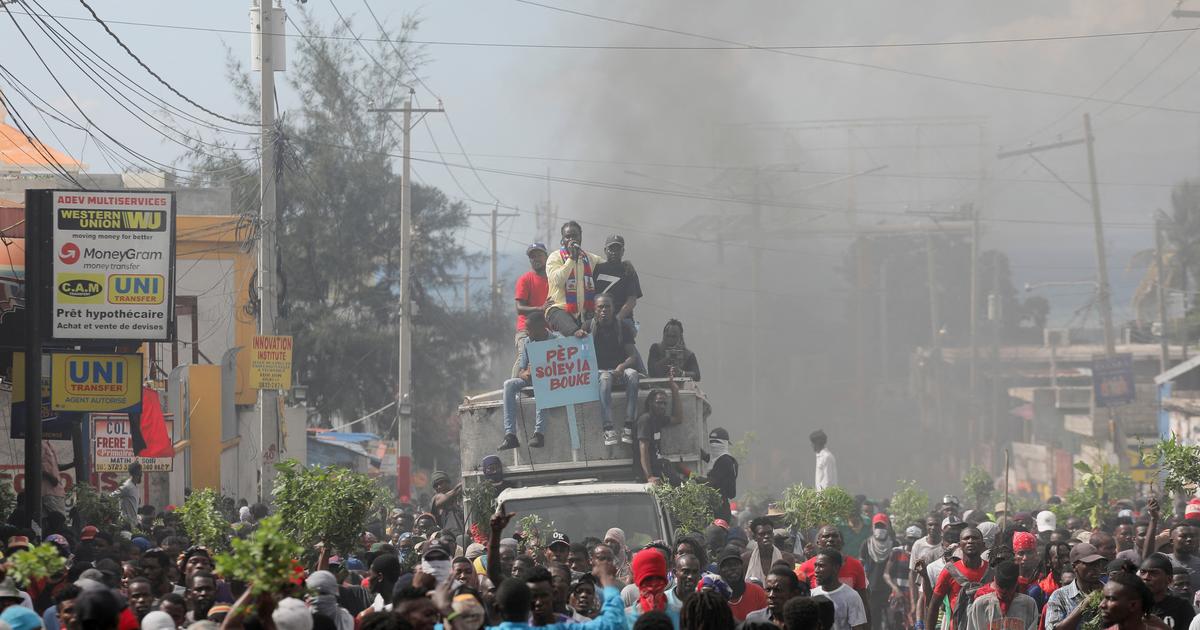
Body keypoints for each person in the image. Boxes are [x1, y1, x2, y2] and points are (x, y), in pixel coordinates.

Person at [498, 310, 560, 450]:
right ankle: (510, 435)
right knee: (508, 384)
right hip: (530, 379)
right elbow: (521, 370)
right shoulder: (527, 341)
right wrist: (525, 373)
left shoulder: (556, 341)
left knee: (542, 382)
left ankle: (539, 433)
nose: (527, 332)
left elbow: (564, 367)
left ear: (541, 327)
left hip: (550, 382)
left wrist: (542, 370)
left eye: (529, 329)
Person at [590, 293, 642, 446]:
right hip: (600, 372)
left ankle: (628, 425)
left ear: (613, 309)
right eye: (600, 307)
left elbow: (632, 356)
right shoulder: (589, 327)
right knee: (605, 379)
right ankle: (608, 429)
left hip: (620, 369)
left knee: (633, 375)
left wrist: (622, 366)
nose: (604, 310)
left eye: (607, 306)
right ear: (595, 310)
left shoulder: (622, 327)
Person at [545, 221, 602, 336]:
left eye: (574, 236)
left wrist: (625, 264)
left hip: (582, 313)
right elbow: (558, 281)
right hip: (559, 310)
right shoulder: (554, 257)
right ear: (563, 240)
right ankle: (575, 332)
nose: (571, 239)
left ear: (580, 237)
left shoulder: (590, 258)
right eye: (567, 237)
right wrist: (571, 259)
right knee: (573, 330)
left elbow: (610, 267)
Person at [926, 526, 989, 630]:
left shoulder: (991, 571)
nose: (970, 541)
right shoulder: (950, 571)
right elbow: (934, 605)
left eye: (975, 538)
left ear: (983, 545)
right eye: (966, 538)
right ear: (960, 545)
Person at [1044, 542, 1107, 630]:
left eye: (1098, 563)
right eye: (1089, 564)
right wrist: (1084, 604)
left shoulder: (1109, 593)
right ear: (1074, 567)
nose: (1095, 568)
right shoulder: (1059, 596)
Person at [634, 376, 683, 485]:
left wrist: (675, 390)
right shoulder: (645, 419)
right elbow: (643, 449)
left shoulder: (659, 418)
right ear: (650, 403)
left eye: (665, 403)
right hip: (652, 471)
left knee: (683, 486)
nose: (662, 406)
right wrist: (650, 477)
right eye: (659, 402)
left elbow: (678, 418)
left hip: (660, 467)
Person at [964, 561, 1038, 630]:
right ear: (994, 580)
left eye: (1008, 587)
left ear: (1016, 584)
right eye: (1001, 586)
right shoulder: (980, 604)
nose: (1004, 591)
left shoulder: (1028, 604)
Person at [513, 242, 550, 378]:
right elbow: (519, 308)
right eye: (532, 257)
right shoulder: (525, 279)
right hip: (526, 329)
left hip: (548, 329)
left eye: (539, 255)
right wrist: (540, 309)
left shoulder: (554, 279)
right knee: (524, 354)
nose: (536, 259)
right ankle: (514, 386)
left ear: (546, 257)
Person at [810, 549, 867, 630]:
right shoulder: (812, 594)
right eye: (815, 565)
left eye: (821, 566)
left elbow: (858, 627)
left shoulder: (851, 596)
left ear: (835, 568)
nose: (816, 570)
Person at [1137, 553, 1194, 630]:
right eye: (1143, 572)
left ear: (1169, 580)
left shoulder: (1182, 607)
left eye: (1153, 573)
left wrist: (1162, 626)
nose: (1146, 577)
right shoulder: (1132, 606)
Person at [625, 548, 679, 627]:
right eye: (648, 579)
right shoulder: (625, 619)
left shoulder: (678, 615)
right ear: (637, 582)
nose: (653, 584)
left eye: (658, 578)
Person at [716, 548, 768, 622]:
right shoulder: (714, 597)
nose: (733, 568)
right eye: (728, 565)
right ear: (719, 570)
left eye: (736, 564)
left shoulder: (757, 592)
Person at [744, 517, 798, 586]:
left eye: (769, 533)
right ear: (754, 537)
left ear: (773, 534)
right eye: (762, 534)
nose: (766, 536)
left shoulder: (787, 559)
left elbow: (791, 586)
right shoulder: (746, 559)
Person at [704, 428, 738, 521]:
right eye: (712, 442)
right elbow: (708, 458)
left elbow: (710, 482)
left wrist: (688, 473)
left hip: (720, 508)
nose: (714, 445)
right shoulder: (719, 459)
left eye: (717, 442)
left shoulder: (725, 461)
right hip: (718, 506)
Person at [1166, 522, 1200, 598]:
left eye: (1191, 536)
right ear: (1172, 541)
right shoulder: (1163, 561)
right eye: (1184, 536)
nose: (1189, 539)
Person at [429, 471, 465, 536]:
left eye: (441, 482)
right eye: (436, 485)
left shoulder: (461, 497)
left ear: (448, 482)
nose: (439, 487)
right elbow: (453, 492)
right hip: (449, 537)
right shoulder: (436, 499)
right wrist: (465, 482)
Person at [114, 462, 142, 528]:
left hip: (133, 523)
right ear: (136, 474)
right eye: (140, 472)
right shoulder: (127, 486)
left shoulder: (135, 487)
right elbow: (111, 496)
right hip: (126, 524)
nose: (141, 475)